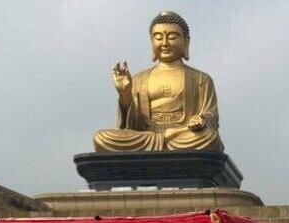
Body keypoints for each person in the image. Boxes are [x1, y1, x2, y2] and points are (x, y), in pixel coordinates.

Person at [93, 11, 222, 152]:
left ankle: (164, 142)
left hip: (184, 135)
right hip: (147, 136)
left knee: (210, 137)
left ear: (186, 42)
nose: (165, 43)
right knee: (101, 138)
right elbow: (130, 125)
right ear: (152, 42)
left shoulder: (201, 79)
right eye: (159, 37)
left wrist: (200, 120)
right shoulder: (138, 79)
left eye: (172, 37)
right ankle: (164, 141)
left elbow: (211, 117)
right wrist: (125, 93)